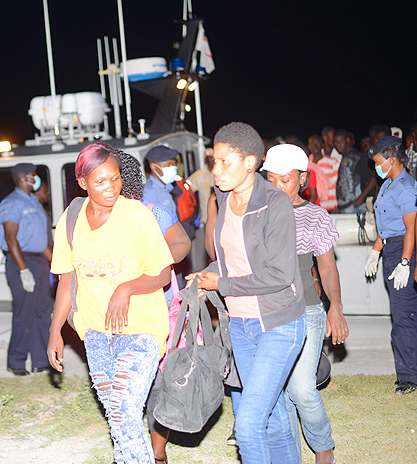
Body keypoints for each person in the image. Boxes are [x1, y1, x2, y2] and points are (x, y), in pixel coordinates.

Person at [47, 143, 174, 463]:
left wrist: (126, 288)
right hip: (95, 333)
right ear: (83, 182)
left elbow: (162, 276)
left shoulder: (137, 215)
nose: (110, 188)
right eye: (100, 181)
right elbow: (66, 280)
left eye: (115, 179)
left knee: (126, 413)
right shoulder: (71, 218)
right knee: (117, 416)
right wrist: (55, 331)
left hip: (142, 328)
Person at [190, 122, 306, 463]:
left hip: (279, 323)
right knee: (273, 417)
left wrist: (221, 285)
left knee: (249, 424)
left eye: (226, 162)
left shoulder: (275, 203)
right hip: (239, 325)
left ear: (251, 163)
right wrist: (207, 274)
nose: (216, 169)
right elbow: (229, 260)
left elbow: (281, 274)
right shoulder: (224, 200)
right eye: (214, 161)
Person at [262, 144, 349, 464]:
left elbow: (327, 267)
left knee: (301, 390)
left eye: (283, 179)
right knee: (277, 392)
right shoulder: (256, 213)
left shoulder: (314, 216)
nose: (276, 186)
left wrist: (336, 306)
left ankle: (324, 449)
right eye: (270, 179)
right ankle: (287, 453)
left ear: (302, 179)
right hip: (267, 311)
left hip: (307, 309)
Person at [117, 150, 191, 464]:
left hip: (155, 309)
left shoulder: (151, 209)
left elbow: (181, 242)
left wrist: (155, 265)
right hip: (115, 317)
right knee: (124, 392)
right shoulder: (89, 216)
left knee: (157, 386)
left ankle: (157, 454)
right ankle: (129, 451)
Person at [365, 136, 417, 395]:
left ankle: (409, 377)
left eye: (378, 162)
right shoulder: (388, 185)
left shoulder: (407, 187)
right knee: (408, 314)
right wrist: (375, 253)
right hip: (391, 248)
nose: (376, 167)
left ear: (392, 160)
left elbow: (411, 228)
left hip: (403, 250)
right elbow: (386, 226)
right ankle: (415, 369)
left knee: (404, 317)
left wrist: (405, 262)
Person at [0, 163, 52, 376]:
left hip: (39, 262)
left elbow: (40, 239)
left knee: (42, 311)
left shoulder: (33, 202)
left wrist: (54, 264)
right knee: (24, 312)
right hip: (22, 261)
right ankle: (17, 362)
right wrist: (22, 270)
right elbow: (11, 238)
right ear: (24, 178)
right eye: (34, 176)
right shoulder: (12, 203)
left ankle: (41, 361)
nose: (36, 180)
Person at [334, 129, 375, 213]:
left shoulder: (358, 157)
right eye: (335, 142)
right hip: (345, 207)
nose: (337, 145)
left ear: (348, 140)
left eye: (340, 141)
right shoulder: (344, 157)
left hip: (355, 207)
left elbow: (374, 179)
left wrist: (361, 198)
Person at [188, 148, 215, 271]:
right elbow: (186, 188)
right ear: (205, 159)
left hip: (222, 221)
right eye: (209, 159)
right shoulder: (200, 175)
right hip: (205, 220)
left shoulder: (221, 173)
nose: (212, 161)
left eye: (214, 158)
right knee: (203, 254)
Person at [143, 145, 180, 215]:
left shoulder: (167, 187)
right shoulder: (149, 193)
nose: (173, 168)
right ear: (154, 167)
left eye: (174, 164)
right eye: (168, 165)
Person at [308, 134, 340, 212]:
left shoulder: (333, 163)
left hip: (332, 207)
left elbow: (339, 186)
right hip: (314, 208)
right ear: (309, 146)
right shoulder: (306, 165)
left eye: (317, 143)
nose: (315, 146)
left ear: (322, 145)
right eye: (312, 144)